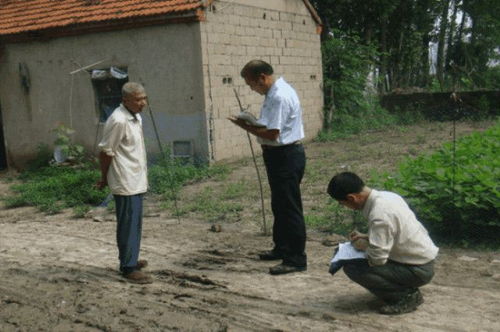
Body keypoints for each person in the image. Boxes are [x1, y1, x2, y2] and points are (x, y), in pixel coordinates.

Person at [228, 60, 307, 275]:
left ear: (262, 77)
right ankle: (282, 247)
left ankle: (296, 258)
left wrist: (244, 126)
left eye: (252, 84)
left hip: (286, 155)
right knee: (279, 204)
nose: (252, 89)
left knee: (289, 207)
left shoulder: (279, 96)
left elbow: (273, 133)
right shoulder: (274, 93)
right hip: (278, 155)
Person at [327, 172, 439, 314]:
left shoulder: (380, 215)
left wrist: (363, 246)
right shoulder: (388, 196)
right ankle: (401, 289)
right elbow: (396, 231)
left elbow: (377, 260)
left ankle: (405, 296)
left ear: (352, 198)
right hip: (423, 261)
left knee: (352, 267)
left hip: (417, 270)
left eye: (343, 203)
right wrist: (368, 237)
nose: (345, 206)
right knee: (351, 257)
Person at [97, 82, 152, 284]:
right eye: (138, 99)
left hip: (136, 177)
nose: (143, 103)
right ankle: (128, 267)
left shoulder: (135, 116)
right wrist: (104, 178)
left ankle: (131, 258)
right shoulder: (118, 120)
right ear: (125, 100)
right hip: (125, 179)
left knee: (135, 222)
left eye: (144, 98)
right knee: (128, 222)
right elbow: (105, 151)